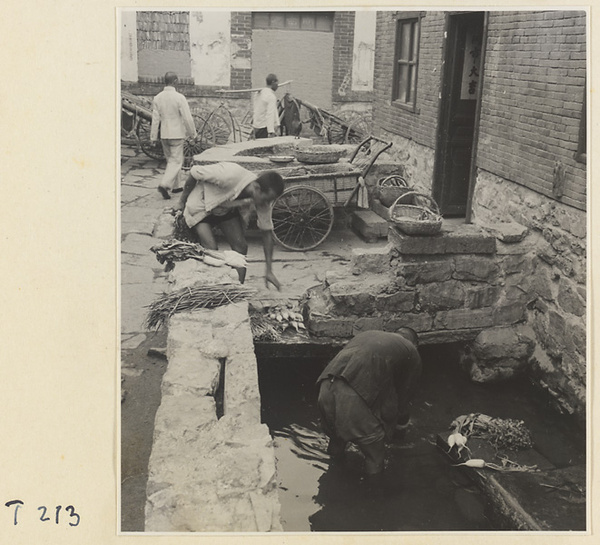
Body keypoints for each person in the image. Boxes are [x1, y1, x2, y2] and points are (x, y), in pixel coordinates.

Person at [316, 328, 422, 480]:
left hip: (325, 387)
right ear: (415, 344)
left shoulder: (369, 334)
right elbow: (404, 399)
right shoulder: (411, 351)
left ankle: (333, 480)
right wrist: (399, 434)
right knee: (375, 457)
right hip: (352, 398)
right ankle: (373, 498)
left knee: (337, 438)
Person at [175, 162, 284, 288]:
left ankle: (237, 288)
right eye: (266, 199)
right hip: (201, 205)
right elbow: (194, 172)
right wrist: (181, 202)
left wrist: (269, 270)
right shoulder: (230, 174)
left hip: (224, 209)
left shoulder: (263, 201)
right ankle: (211, 288)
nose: (267, 203)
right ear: (256, 188)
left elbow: (267, 233)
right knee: (211, 250)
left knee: (241, 247)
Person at [150, 71, 197, 199]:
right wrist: (193, 133)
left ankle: (176, 187)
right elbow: (187, 118)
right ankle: (164, 184)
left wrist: (153, 137)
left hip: (164, 134)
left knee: (171, 160)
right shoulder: (179, 97)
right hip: (177, 134)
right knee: (176, 161)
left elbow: (155, 119)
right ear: (175, 81)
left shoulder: (158, 97)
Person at [252, 74, 280, 139]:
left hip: (257, 126)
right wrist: (271, 131)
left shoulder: (258, 93)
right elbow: (270, 114)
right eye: (277, 83)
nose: (277, 86)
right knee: (265, 148)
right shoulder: (270, 96)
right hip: (264, 128)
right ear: (273, 82)